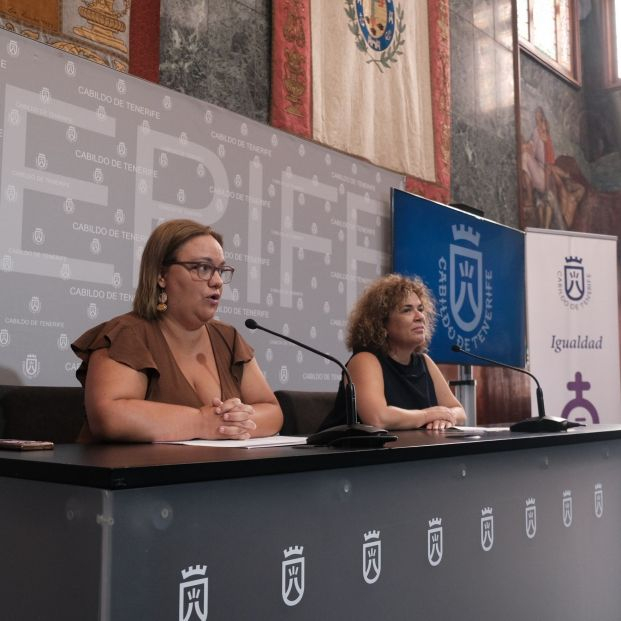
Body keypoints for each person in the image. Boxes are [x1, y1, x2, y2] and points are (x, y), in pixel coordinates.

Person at [71, 219, 283, 442]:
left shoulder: (228, 338)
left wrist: (233, 420)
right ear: (161, 275)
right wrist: (202, 422)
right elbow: (110, 416)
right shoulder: (128, 334)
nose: (217, 281)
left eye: (221, 270)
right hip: (135, 474)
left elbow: (271, 410)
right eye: (203, 268)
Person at [320, 274, 466, 431]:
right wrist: (428, 416)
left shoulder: (424, 361)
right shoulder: (365, 360)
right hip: (345, 452)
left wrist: (445, 418)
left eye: (420, 309)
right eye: (407, 310)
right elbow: (378, 418)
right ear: (381, 322)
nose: (420, 317)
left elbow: (460, 412)